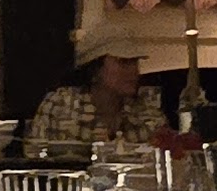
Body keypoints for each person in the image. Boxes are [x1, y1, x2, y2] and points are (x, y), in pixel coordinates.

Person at [24, 47, 156, 160]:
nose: (134, 70)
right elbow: (34, 159)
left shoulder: (146, 113)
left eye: (135, 62)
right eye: (124, 62)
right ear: (95, 69)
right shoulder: (62, 105)